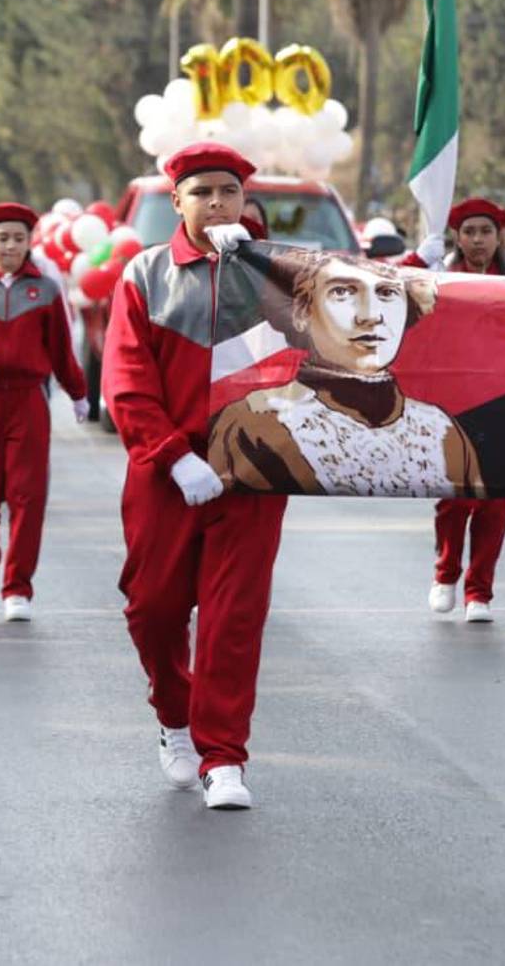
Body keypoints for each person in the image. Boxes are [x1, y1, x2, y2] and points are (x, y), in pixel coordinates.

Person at [103, 141, 289, 810]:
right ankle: (174, 718)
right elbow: (125, 379)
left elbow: (340, 338)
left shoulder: (280, 274)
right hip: (167, 475)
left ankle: (224, 755)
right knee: (152, 608)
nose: (216, 204)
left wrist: (253, 273)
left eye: (229, 192)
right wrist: (173, 457)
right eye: (203, 192)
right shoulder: (145, 275)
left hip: (252, 477)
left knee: (233, 616)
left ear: (246, 200)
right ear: (176, 201)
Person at [207, 253, 482, 497]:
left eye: (387, 293)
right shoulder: (252, 423)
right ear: (302, 313)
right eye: (342, 293)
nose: (371, 316)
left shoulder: (440, 430)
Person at [0, 202, 91, 623]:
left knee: (28, 496)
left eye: (19, 238)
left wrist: (79, 393)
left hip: (29, 401)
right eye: (3, 237)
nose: (11, 245)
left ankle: (18, 587)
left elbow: (61, 349)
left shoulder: (44, 289)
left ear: (30, 243)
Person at [411, 198, 505, 623]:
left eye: (486, 232)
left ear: (498, 237)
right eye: (469, 232)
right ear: (457, 236)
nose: (478, 240)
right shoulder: (440, 276)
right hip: (452, 402)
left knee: (498, 500)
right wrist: (419, 259)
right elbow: (391, 286)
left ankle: (480, 592)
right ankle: (446, 572)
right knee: (455, 499)